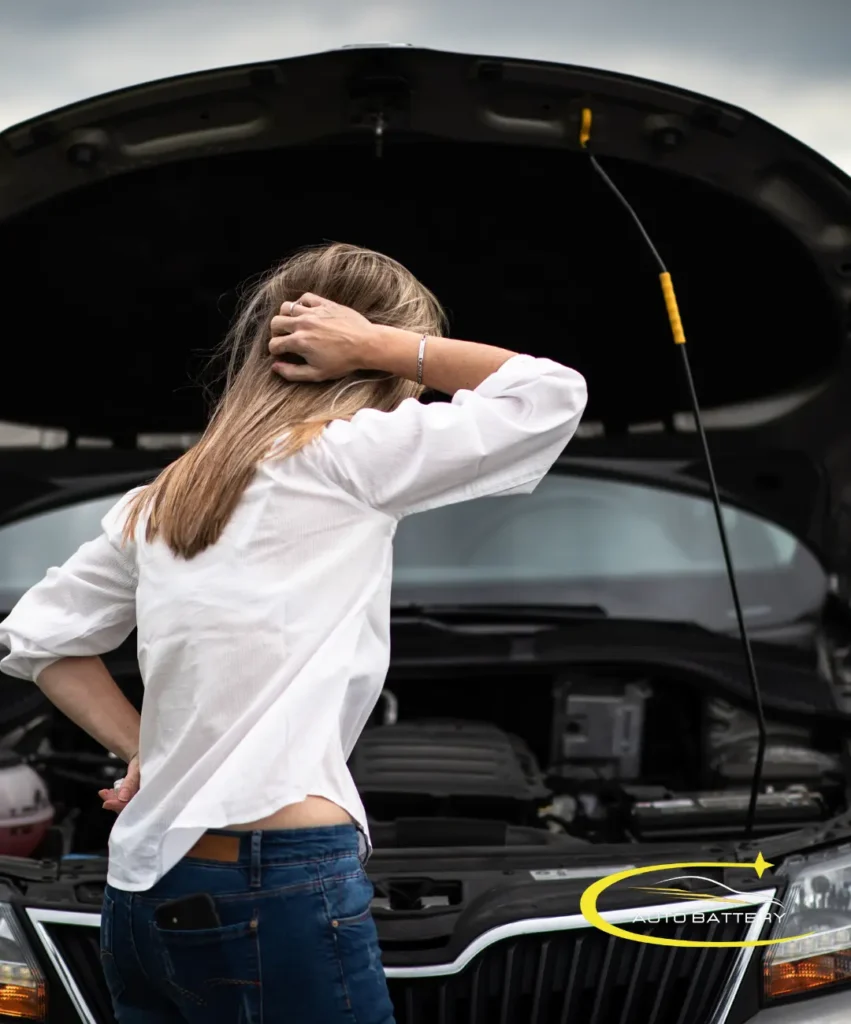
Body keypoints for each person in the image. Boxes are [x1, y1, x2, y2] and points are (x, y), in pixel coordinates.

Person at [0, 242, 587, 1023]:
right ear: (353, 355)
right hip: (272, 877)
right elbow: (549, 393)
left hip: (146, 889)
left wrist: (148, 752)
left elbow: (41, 634)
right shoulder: (346, 456)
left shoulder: (167, 495)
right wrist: (379, 344)